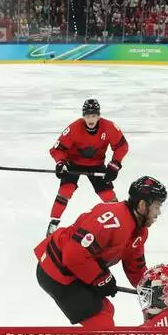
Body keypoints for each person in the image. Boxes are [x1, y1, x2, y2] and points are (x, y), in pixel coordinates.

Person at [34, 176, 165, 330]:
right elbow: (73, 255)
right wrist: (101, 278)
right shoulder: (113, 220)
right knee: (100, 322)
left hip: (76, 270)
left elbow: (135, 267)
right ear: (142, 205)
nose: (159, 213)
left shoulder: (139, 232)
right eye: (156, 206)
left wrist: (152, 290)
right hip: (56, 270)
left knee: (106, 311)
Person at [46, 99, 130, 236]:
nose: (90, 119)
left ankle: (121, 222)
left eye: (93, 116)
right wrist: (60, 162)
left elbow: (122, 146)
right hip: (73, 164)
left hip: (96, 165)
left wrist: (114, 165)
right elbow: (57, 149)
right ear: (83, 116)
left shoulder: (109, 127)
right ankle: (53, 223)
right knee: (65, 190)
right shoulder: (74, 128)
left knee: (107, 194)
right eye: (88, 116)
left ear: (98, 116)